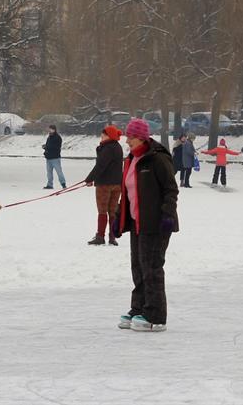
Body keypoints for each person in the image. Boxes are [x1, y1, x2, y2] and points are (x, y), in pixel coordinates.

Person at [115, 118, 179, 332]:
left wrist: (167, 215)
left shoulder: (157, 159)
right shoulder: (131, 159)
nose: (127, 141)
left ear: (141, 137)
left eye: (130, 137)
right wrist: (118, 218)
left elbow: (171, 189)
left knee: (151, 268)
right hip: (137, 222)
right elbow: (126, 194)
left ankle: (155, 315)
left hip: (157, 223)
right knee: (138, 267)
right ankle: (139, 308)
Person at [85, 125, 124, 246]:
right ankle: (112, 237)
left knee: (102, 210)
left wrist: (89, 179)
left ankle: (100, 236)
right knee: (112, 211)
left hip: (104, 184)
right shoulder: (117, 147)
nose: (101, 137)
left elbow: (101, 166)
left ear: (109, 136)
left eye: (103, 135)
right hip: (117, 184)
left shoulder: (107, 148)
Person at [43, 124, 66, 189]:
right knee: (49, 173)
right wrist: (45, 148)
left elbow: (56, 147)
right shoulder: (49, 137)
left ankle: (63, 184)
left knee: (59, 172)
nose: (50, 130)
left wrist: (47, 147)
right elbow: (48, 146)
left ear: (54, 130)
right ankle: (50, 185)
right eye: (49, 129)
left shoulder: (58, 137)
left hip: (55, 158)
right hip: (48, 158)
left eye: (51, 129)